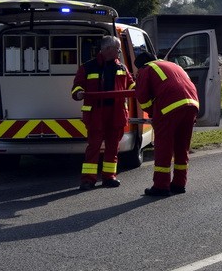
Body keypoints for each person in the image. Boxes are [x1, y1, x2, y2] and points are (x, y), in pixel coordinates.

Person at [71, 36, 135, 191]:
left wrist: (136, 89)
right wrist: (79, 93)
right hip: (96, 115)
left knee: (113, 147)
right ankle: (88, 180)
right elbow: (76, 87)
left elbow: (131, 83)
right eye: (117, 48)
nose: (119, 51)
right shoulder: (87, 67)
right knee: (94, 147)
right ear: (107, 49)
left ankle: (109, 176)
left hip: (116, 113)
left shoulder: (122, 67)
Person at [134, 51, 199, 197]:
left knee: (163, 147)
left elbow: (143, 97)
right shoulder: (171, 65)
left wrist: (152, 112)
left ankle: (161, 186)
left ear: (141, 65)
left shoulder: (146, 69)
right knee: (182, 147)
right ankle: (179, 184)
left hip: (169, 107)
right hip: (192, 104)